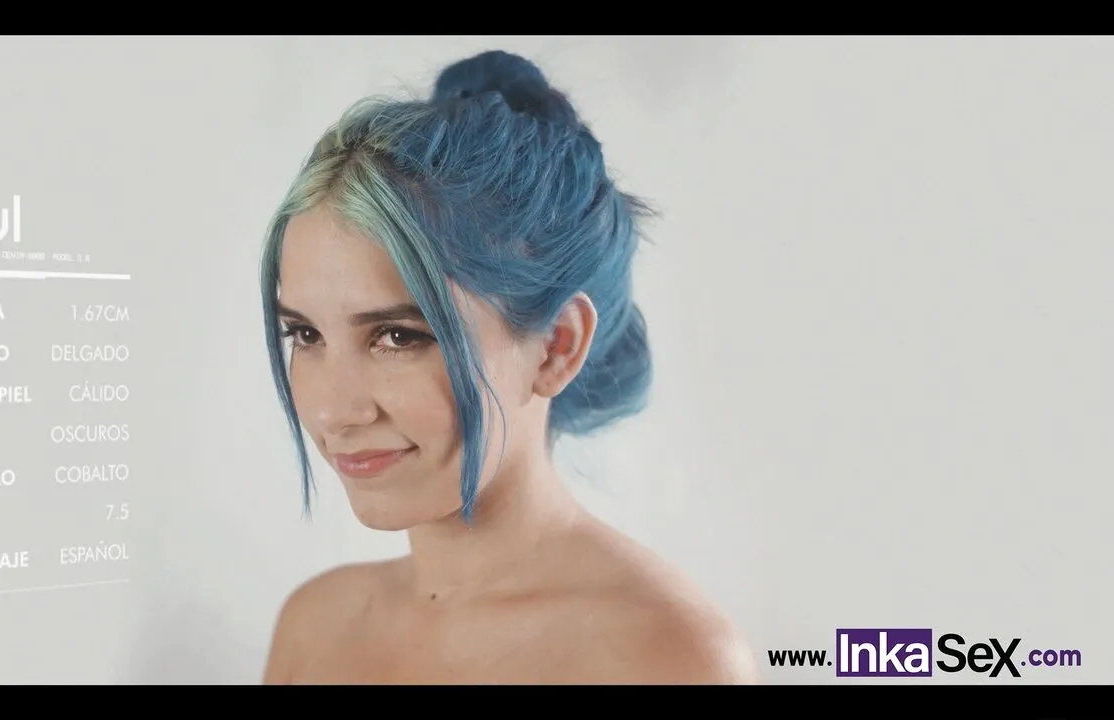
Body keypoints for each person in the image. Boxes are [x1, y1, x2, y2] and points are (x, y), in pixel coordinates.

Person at [257, 49, 757, 684]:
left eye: (396, 336)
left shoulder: (663, 657)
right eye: (304, 333)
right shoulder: (315, 626)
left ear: (556, 347)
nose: (333, 411)